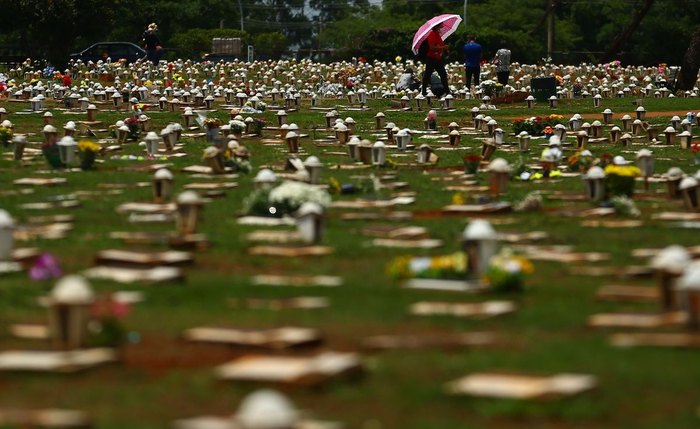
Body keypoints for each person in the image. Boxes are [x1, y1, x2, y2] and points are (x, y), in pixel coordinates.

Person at [421, 22, 450, 96]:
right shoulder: (432, 34)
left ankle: (447, 92)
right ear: (437, 25)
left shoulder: (438, 34)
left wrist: (445, 49)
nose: (442, 26)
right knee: (427, 75)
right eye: (441, 24)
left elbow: (440, 44)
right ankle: (423, 91)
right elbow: (432, 47)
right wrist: (443, 47)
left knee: (443, 74)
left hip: (438, 58)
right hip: (431, 58)